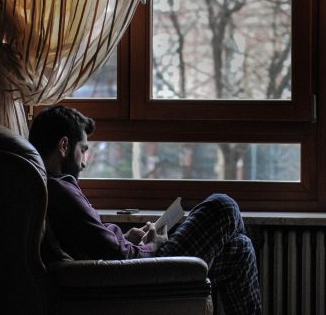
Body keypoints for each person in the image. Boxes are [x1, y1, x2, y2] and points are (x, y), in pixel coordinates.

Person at [28, 105, 262, 315]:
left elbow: (94, 240)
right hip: (138, 275)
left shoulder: (51, 188)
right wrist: (153, 245)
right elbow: (116, 256)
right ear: (64, 146)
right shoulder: (60, 190)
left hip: (131, 268)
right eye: (83, 149)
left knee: (239, 249)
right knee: (223, 206)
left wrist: (127, 238)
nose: (84, 162)